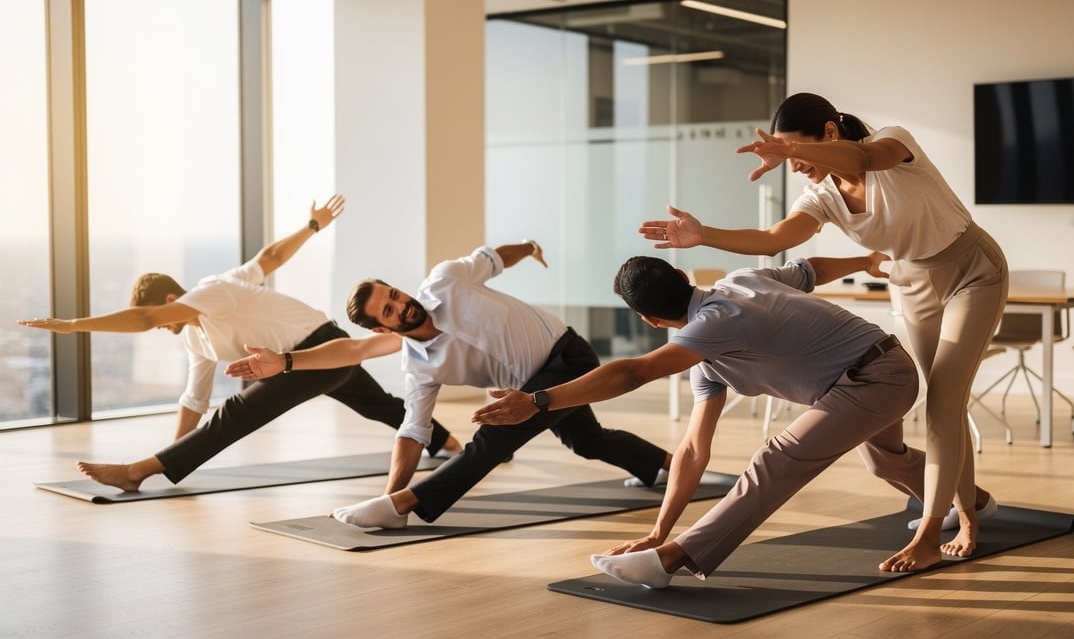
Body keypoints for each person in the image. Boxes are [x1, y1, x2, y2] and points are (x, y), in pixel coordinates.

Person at [636, 93, 1008, 571]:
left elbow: (863, 158)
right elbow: (774, 239)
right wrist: (704, 234)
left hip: (972, 271)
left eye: (796, 150)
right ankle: (969, 512)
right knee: (943, 405)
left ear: (829, 133)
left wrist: (792, 150)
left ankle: (934, 532)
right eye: (786, 154)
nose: (793, 165)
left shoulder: (893, 144)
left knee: (944, 402)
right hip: (911, 282)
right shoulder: (823, 197)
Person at [473, 255, 993, 588]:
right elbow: (693, 450)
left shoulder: (713, 324)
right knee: (885, 464)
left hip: (872, 376)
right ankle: (974, 500)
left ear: (649, 320)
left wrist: (539, 400)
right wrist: (657, 527)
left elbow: (634, 372)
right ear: (684, 277)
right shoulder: (736, 291)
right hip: (871, 371)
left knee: (777, 457)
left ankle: (673, 560)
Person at [18, 194, 459, 493]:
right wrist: (174, 453)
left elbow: (268, 259)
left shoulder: (214, 291)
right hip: (304, 361)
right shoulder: (197, 339)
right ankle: (448, 444)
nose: (158, 328)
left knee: (237, 411)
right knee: (378, 404)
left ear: (172, 301)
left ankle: (136, 473)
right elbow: (194, 401)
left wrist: (73, 325)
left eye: (160, 318)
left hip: (322, 346)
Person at [224, 242, 672, 528]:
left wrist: (529, 248)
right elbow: (413, 431)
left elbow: (494, 257)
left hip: (566, 354)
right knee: (587, 441)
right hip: (528, 388)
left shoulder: (446, 280)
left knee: (494, 438)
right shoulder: (419, 367)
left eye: (395, 295)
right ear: (383, 329)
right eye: (389, 311)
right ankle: (666, 465)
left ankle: (406, 505)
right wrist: (387, 488)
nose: (401, 305)